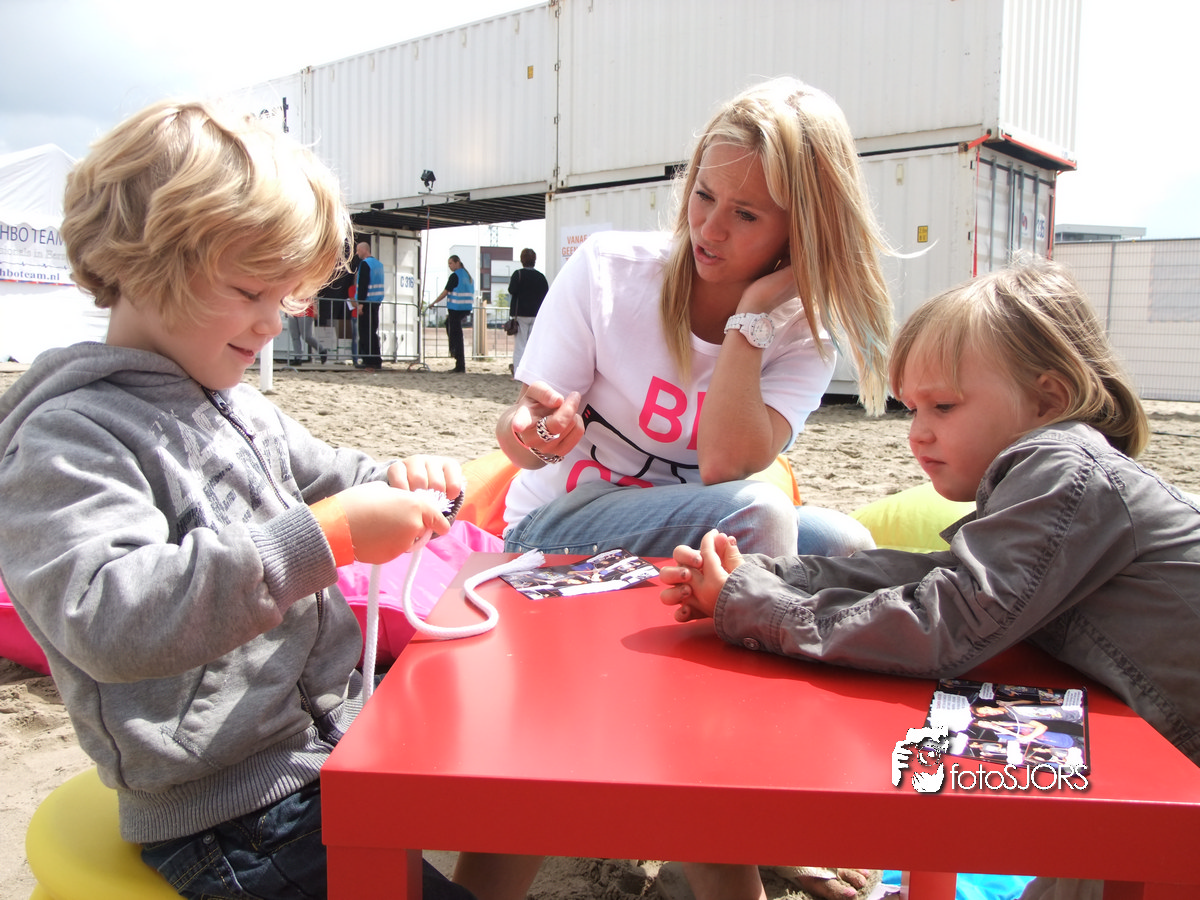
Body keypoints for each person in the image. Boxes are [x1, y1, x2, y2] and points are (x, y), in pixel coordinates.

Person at [0, 99, 476, 900]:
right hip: (232, 817)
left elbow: (340, 476)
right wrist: (325, 537)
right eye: (252, 289)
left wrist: (404, 478)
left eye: (285, 297)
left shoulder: (238, 404)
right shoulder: (69, 437)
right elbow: (107, 615)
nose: (271, 324)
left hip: (327, 751)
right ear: (142, 262)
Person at [465, 76, 894, 900]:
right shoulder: (608, 273)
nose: (708, 228)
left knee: (848, 549)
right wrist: (531, 434)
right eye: (703, 195)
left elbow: (728, 458)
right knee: (762, 513)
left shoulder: (802, 336)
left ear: (800, 231)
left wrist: (752, 321)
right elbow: (522, 438)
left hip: (691, 530)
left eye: (746, 214)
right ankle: (729, 822)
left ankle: (771, 787)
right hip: (554, 535)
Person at [659, 258, 1200, 900]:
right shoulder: (1053, 473)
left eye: (942, 406)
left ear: (1047, 400)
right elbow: (932, 574)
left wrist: (755, 605)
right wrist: (773, 574)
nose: (917, 434)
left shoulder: (1062, 473)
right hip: (1158, 754)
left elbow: (943, 622)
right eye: (911, 409)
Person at [507, 247, 549, 372]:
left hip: (521, 314)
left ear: (522, 260)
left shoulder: (518, 274)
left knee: (520, 345)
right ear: (534, 260)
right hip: (536, 314)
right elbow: (546, 294)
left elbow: (512, 290)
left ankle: (518, 371)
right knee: (533, 345)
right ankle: (532, 371)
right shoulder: (541, 277)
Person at [432, 254, 474, 373]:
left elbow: (445, 292)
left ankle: (457, 358)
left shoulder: (455, 276)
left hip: (456, 308)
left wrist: (434, 302)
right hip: (466, 308)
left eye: (450, 263)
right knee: (453, 329)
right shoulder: (467, 276)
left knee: (456, 335)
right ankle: (456, 354)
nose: (449, 266)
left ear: (457, 262)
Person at [353, 240, 384, 370]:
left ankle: (369, 360)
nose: (357, 253)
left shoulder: (365, 264)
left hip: (367, 302)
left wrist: (360, 304)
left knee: (365, 333)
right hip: (376, 302)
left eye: (358, 250)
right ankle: (376, 360)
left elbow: (363, 285)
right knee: (372, 332)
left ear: (365, 250)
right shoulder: (379, 265)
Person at [285, 298, 328, 365]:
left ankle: (321, 350)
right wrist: (286, 309)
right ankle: (297, 358)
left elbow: (313, 297)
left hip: (306, 311)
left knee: (307, 336)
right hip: (292, 311)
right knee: (294, 336)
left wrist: (315, 309)